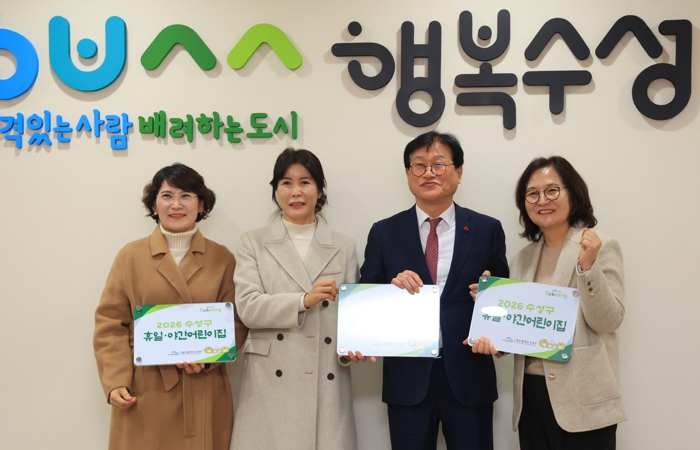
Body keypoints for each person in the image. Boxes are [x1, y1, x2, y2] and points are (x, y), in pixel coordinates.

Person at [359, 131, 509, 450]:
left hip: (470, 378)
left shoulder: (487, 229)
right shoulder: (384, 232)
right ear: (407, 173)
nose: (428, 173)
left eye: (439, 164)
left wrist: (490, 300)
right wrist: (391, 290)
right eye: (419, 165)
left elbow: (503, 304)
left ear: (459, 171)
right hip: (408, 381)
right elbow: (365, 303)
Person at [470, 156, 626, 450]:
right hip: (531, 398)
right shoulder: (522, 258)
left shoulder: (600, 246)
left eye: (552, 190)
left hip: (583, 400)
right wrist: (492, 314)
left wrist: (588, 268)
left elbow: (608, 321)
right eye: (532, 194)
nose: (542, 200)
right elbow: (520, 330)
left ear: (573, 193)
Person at [93, 163, 249, 450]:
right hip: (144, 388)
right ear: (154, 204)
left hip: (202, 387)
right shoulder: (130, 256)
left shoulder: (222, 258)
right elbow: (110, 324)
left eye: (186, 195)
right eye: (167, 196)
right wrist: (116, 380)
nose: (176, 205)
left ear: (201, 205)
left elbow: (238, 321)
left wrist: (208, 357)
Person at [231, 148, 369, 450]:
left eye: (305, 182)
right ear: (275, 190)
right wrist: (303, 301)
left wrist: (352, 349)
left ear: (319, 190)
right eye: (286, 183)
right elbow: (249, 308)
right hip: (269, 385)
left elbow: (350, 317)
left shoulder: (344, 246)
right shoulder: (253, 242)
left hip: (326, 383)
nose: (296, 191)